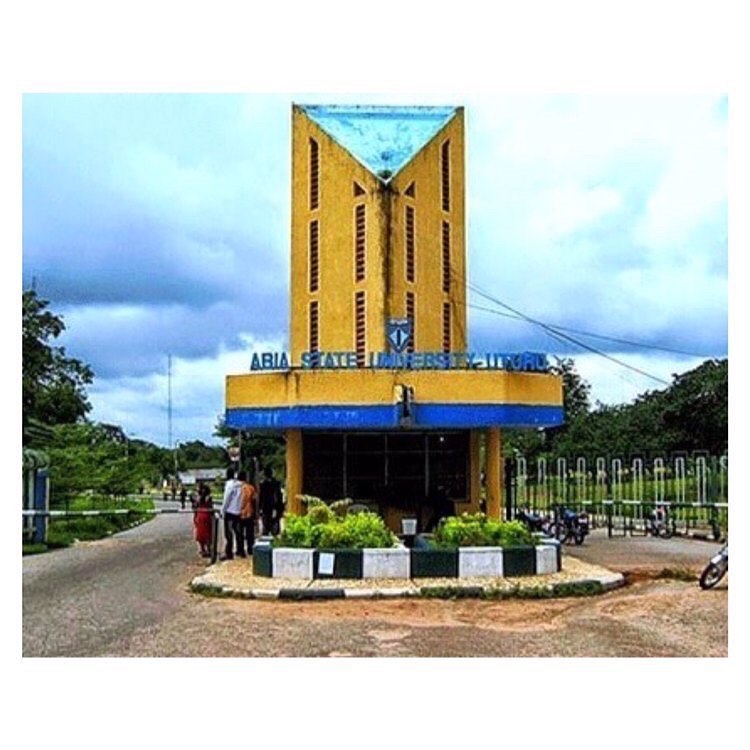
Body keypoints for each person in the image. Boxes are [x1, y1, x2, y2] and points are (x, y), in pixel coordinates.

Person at [221, 467, 243, 559]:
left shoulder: (229, 485)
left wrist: (223, 510)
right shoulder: (240, 485)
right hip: (238, 511)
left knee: (229, 534)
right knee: (238, 532)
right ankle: (240, 550)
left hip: (230, 511)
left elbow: (226, 499)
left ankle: (229, 553)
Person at [237, 470, 257, 556]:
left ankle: (240, 550)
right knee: (250, 533)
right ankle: (250, 549)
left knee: (239, 533)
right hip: (249, 512)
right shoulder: (251, 488)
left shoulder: (237, 488)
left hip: (239, 512)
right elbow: (254, 500)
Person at [259, 467, 283, 535]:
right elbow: (279, 495)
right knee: (275, 523)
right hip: (275, 505)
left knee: (266, 523)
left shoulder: (262, 485)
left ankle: (266, 532)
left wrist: (260, 507)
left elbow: (261, 496)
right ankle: (274, 532)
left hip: (266, 506)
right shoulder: (277, 483)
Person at [193, 481, 214, 558]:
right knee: (208, 532)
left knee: (200, 533)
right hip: (207, 515)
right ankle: (209, 549)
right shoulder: (208, 498)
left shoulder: (197, 498)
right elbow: (211, 507)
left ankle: (202, 550)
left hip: (199, 515)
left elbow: (194, 507)